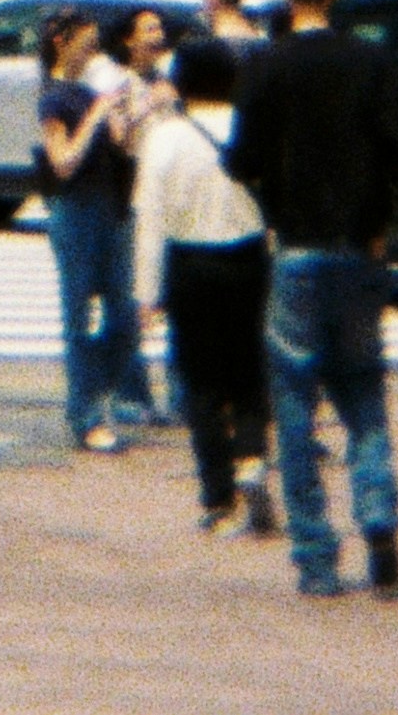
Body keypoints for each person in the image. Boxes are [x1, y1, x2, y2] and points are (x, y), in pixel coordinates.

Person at [229, 0, 398, 603]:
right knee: (362, 385)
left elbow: (240, 157)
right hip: (361, 243)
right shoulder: (371, 61)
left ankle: (317, 557)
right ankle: (380, 516)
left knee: (296, 403)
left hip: (296, 241)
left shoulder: (266, 65)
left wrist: (276, 185)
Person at [132, 29, 273, 536]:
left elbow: (150, 219)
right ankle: (253, 456)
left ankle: (218, 496)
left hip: (191, 264)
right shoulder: (248, 125)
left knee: (200, 381)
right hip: (250, 257)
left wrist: (147, 293)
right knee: (251, 369)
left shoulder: (165, 136)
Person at [27, 8, 142, 454]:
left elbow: (119, 145)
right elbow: (63, 162)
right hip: (73, 207)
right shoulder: (54, 98)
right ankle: (86, 411)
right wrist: (97, 116)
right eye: (87, 42)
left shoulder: (87, 90)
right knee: (78, 315)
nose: (94, 51)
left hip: (109, 203)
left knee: (124, 315)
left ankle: (99, 391)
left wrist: (128, 114)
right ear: (62, 42)